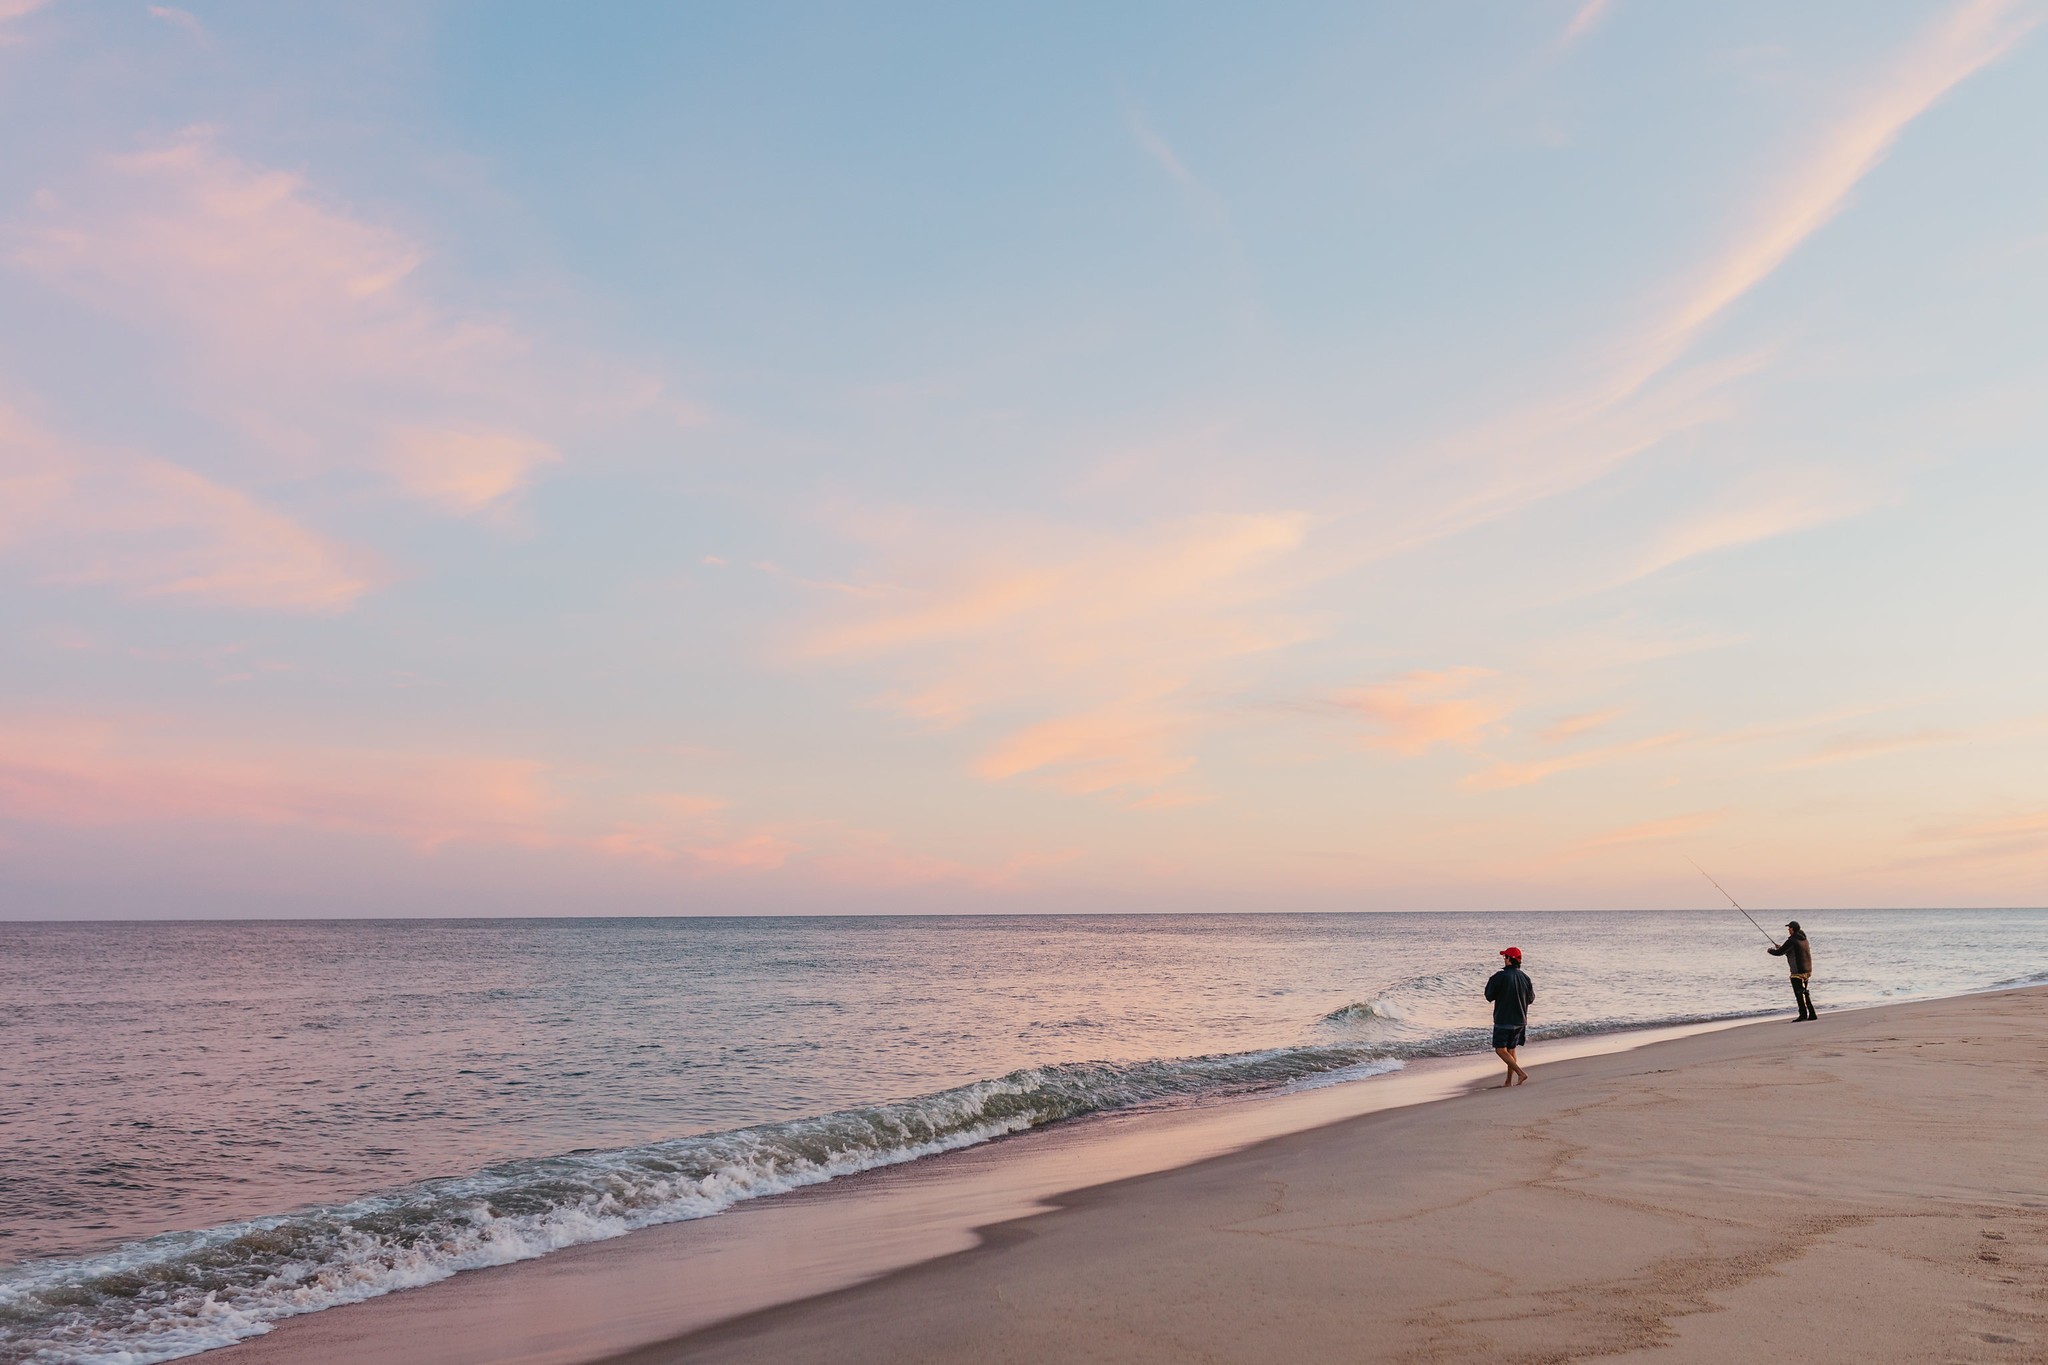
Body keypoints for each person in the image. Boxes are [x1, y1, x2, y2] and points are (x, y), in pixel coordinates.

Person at [1484, 947, 1533, 1086]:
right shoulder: (1525, 977)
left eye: (1505, 957)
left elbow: (1489, 996)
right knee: (1511, 1050)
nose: (1504, 959)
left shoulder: (1500, 976)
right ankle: (1508, 1081)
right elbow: (1531, 998)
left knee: (1500, 1050)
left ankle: (1520, 1073)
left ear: (1509, 959)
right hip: (1520, 1020)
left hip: (1504, 1020)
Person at [1767, 920, 1817, 1021]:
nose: (1788, 930)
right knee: (1804, 992)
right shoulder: (1804, 939)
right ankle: (1811, 1014)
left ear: (1793, 929)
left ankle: (1803, 1015)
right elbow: (1791, 951)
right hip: (1807, 970)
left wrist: (1770, 950)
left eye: (1789, 928)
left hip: (1797, 972)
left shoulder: (1792, 940)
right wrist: (1781, 948)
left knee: (1799, 994)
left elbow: (1779, 953)